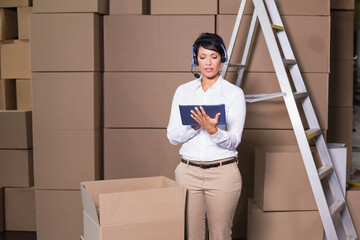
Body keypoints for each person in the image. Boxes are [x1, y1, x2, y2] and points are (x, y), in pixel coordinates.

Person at [167, 32, 246, 240]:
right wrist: (194, 126)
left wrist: (213, 131)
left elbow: (235, 139)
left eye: (213, 56)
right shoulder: (183, 92)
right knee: (191, 235)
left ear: (222, 59)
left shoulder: (234, 94)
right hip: (188, 173)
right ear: (195, 59)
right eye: (202, 57)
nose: (208, 62)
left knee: (220, 234)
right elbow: (173, 137)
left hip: (223, 174)